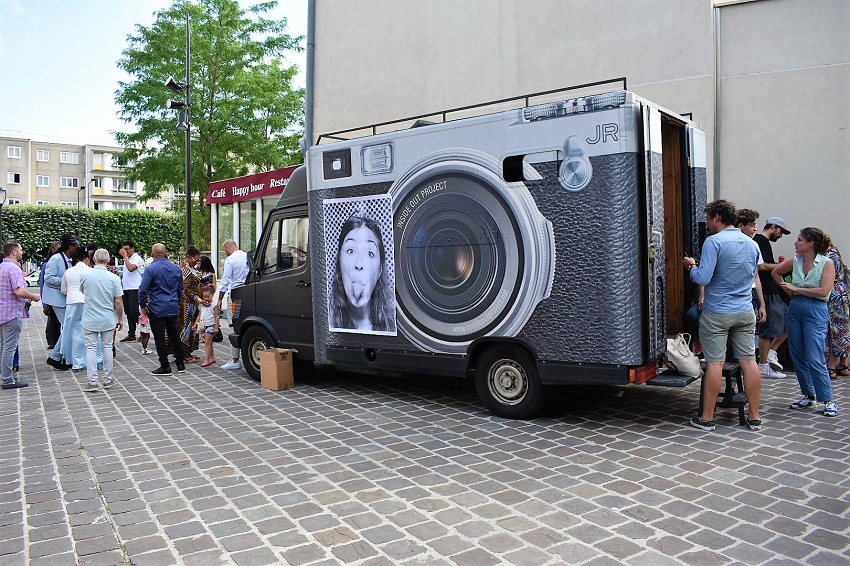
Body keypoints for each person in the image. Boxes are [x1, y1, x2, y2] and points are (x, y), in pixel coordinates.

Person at [683, 200, 764, 432]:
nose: (707, 223)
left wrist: (690, 267)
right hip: (744, 310)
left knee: (715, 364)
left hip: (718, 311)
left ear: (717, 217)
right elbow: (752, 276)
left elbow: (703, 278)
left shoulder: (713, 242)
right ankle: (755, 416)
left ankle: (707, 418)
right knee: (748, 361)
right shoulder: (751, 243)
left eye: (708, 218)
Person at [772, 228, 837, 417]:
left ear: (811, 243)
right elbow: (776, 273)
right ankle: (808, 394)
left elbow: (824, 291)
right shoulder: (797, 261)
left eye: (799, 240)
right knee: (798, 353)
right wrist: (788, 291)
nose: (795, 242)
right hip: (796, 309)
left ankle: (828, 399)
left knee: (815, 355)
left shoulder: (826, 263)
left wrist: (796, 289)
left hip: (815, 310)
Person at [329, 209, 395, 332]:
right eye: (350, 251)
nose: (359, 264)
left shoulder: (395, 325)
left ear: (380, 269)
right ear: (339, 261)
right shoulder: (327, 323)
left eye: (369, 253)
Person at [79, 249, 124, 392]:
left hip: (90, 317)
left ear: (93, 260)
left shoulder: (85, 275)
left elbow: (82, 291)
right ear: (108, 260)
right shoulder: (114, 278)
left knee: (90, 349)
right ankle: (108, 379)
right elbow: (118, 301)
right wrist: (120, 318)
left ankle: (92, 381)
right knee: (107, 348)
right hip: (107, 317)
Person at [138, 243, 185, 376]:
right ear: (165, 253)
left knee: (159, 337)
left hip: (157, 306)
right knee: (174, 335)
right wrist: (176, 300)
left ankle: (164, 366)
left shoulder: (150, 269)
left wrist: (143, 305)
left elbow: (143, 289)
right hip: (172, 305)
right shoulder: (176, 268)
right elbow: (180, 288)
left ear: (152, 255)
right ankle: (180, 364)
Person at [754, 217, 791, 378]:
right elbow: (761, 266)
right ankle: (763, 364)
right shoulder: (760, 241)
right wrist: (783, 266)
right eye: (781, 231)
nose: (781, 235)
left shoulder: (763, 241)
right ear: (773, 227)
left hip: (772, 291)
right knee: (768, 329)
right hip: (768, 291)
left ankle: (771, 353)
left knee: (788, 322)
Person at [1, 241, 41, 390]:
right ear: (14, 252)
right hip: (11, 312)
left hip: (2, 312)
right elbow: (19, 291)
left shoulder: (1, 267)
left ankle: (4, 375)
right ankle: (7, 379)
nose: (22, 252)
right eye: (20, 250)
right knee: (9, 347)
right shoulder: (14, 269)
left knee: (3, 346)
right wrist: (33, 296)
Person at [44, 234, 79, 370]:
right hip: (57, 299)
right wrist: (66, 282)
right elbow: (48, 278)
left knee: (69, 328)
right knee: (69, 327)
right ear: (71, 247)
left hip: (64, 298)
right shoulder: (56, 259)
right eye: (76, 246)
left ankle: (61, 356)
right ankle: (55, 356)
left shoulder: (68, 259)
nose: (78, 249)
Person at [217, 239, 250, 370]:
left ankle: (235, 359)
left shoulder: (230, 260)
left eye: (224, 250)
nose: (224, 252)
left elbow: (225, 281)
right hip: (248, 293)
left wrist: (220, 299)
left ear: (228, 248)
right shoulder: (247, 256)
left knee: (233, 326)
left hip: (236, 296)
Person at [60, 247, 93, 371]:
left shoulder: (69, 271)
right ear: (86, 259)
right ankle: (89, 359)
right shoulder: (90, 271)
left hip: (72, 302)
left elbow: (63, 290)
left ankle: (73, 360)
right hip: (86, 302)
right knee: (88, 332)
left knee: (71, 332)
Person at [826, 243, 850, 377]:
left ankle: (831, 368)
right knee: (842, 329)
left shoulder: (826, 256)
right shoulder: (835, 250)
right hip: (841, 293)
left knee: (833, 331)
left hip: (832, 293)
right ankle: (843, 366)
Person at [178, 246, 202, 363]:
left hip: (193, 302)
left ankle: (189, 352)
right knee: (186, 328)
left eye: (198, 260)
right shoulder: (184, 270)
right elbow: (186, 288)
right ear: (188, 257)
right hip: (187, 303)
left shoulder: (191, 269)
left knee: (192, 328)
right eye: (195, 259)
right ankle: (184, 355)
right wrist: (197, 298)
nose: (197, 262)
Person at [118, 240, 145, 342]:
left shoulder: (137, 258)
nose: (125, 251)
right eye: (123, 249)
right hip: (126, 288)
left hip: (135, 287)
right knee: (128, 311)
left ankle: (143, 331)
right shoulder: (127, 259)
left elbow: (131, 268)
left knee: (134, 311)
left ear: (133, 248)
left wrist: (124, 257)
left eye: (127, 249)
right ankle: (131, 333)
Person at [40, 242, 61, 348]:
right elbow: (43, 284)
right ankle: (52, 342)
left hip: (61, 298)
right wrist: (44, 304)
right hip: (52, 298)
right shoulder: (46, 264)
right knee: (53, 322)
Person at [193, 286, 220, 368]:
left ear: (212, 295)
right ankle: (211, 358)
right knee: (209, 342)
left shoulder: (214, 305)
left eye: (208, 297)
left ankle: (207, 359)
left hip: (211, 326)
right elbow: (199, 315)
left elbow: (216, 317)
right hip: (203, 326)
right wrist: (195, 324)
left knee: (207, 343)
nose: (206, 298)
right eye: (204, 297)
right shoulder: (202, 305)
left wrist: (216, 327)